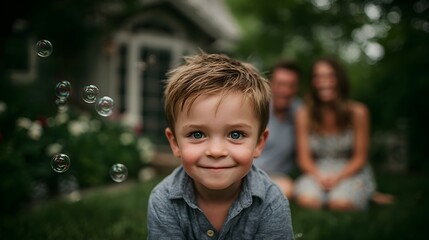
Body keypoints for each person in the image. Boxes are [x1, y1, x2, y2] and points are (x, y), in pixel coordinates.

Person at [147, 53, 294, 239]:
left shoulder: (272, 202)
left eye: (235, 134)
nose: (216, 151)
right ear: (175, 143)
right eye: (197, 134)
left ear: (259, 143)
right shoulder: (163, 200)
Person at [294, 57, 380, 211]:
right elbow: (304, 158)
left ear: (339, 80)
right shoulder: (304, 114)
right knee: (307, 201)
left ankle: (366, 193)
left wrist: (338, 177)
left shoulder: (358, 112)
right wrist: (319, 176)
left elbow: (360, 157)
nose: (324, 82)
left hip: (349, 170)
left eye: (330, 76)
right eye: (318, 77)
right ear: (313, 82)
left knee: (340, 204)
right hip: (317, 170)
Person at [254, 60, 302, 199]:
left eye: (291, 85)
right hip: (246, 171)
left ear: (297, 87)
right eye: (280, 84)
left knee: (286, 189)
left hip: (276, 177)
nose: (285, 91)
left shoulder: (301, 113)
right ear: (270, 84)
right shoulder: (256, 108)